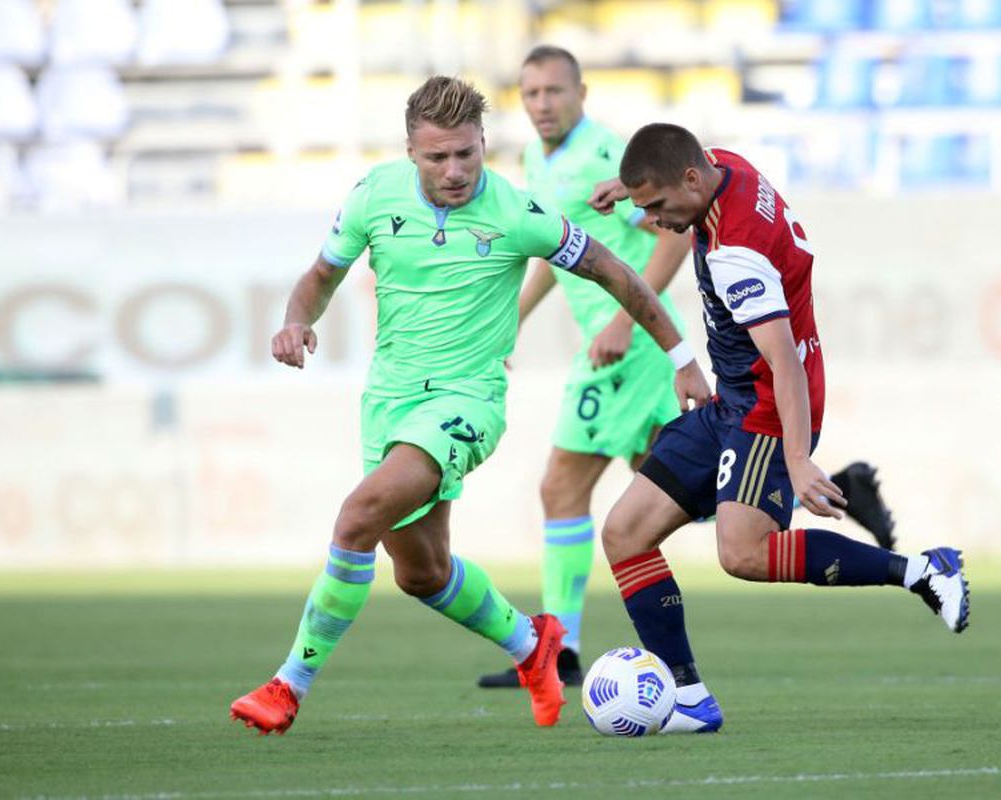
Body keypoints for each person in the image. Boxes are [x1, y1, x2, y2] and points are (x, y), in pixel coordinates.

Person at [228, 78, 711, 736]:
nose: (455, 171)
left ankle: (288, 685)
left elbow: (615, 274)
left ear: (484, 143)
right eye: (437, 158)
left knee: (356, 517)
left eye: (466, 154)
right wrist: (295, 321)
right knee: (421, 574)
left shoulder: (518, 212)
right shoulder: (374, 195)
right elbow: (320, 277)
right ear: (410, 153)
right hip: (389, 401)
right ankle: (531, 645)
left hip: (466, 402)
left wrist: (683, 356)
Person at [477, 46, 898, 690]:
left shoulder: (616, 154)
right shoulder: (541, 160)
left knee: (570, 489)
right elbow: (551, 255)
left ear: (581, 93)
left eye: (553, 91)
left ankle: (558, 648)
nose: (540, 104)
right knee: (678, 499)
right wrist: (511, 322)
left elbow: (673, 232)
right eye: (529, 93)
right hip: (622, 346)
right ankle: (821, 482)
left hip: (632, 347)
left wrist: (627, 318)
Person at [588, 123, 970, 734]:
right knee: (624, 533)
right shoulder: (720, 169)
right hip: (732, 398)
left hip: (767, 404)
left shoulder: (737, 251)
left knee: (741, 553)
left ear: (690, 181)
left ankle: (924, 571)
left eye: (658, 207)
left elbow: (784, 361)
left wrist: (795, 459)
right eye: (646, 207)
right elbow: (682, 155)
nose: (656, 221)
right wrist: (627, 185)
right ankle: (689, 696)